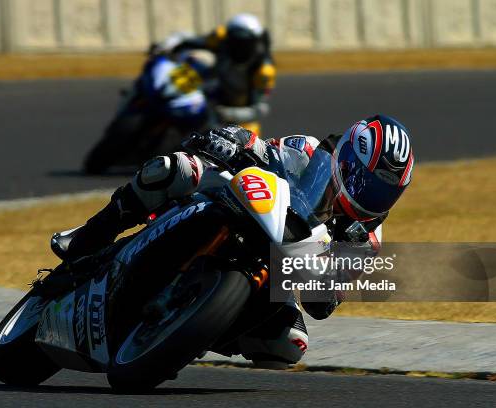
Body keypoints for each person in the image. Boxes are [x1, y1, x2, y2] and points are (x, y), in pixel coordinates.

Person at [51, 116, 414, 365]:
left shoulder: (365, 239)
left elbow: (323, 304)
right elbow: (260, 148)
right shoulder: (307, 152)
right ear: (347, 158)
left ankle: (192, 331)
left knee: (288, 345)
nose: (371, 196)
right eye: (368, 181)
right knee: (173, 168)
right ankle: (89, 236)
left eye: (384, 192)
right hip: (237, 201)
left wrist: (326, 280)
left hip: (277, 266)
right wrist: (229, 140)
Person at [152, 13, 275, 135]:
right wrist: (167, 45)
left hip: (236, 114)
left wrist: (228, 113)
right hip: (214, 88)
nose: (239, 47)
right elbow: (191, 41)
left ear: (255, 42)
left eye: (244, 43)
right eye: (235, 41)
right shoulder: (221, 36)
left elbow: (260, 109)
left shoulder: (264, 70)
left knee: (245, 143)